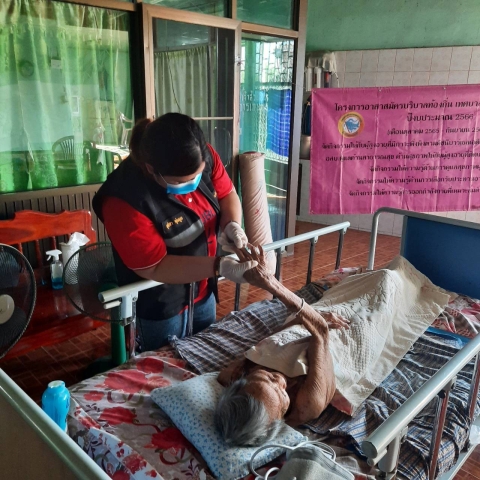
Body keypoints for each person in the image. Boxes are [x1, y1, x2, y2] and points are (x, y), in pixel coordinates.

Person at [92, 113, 257, 351]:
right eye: (181, 182)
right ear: (152, 169)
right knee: (165, 362)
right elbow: (155, 266)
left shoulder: (199, 154)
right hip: (161, 304)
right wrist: (220, 266)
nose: (192, 186)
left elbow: (227, 193)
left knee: (204, 352)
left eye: (197, 176)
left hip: (203, 291)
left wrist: (232, 224)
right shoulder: (124, 200)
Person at [214, 245, 349, 446]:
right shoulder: (307, 405)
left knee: (345, 288)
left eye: (266, 377)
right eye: (281, 394)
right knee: (385, 283)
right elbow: (321, 332)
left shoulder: (233, 374)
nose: (279, 380)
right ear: (278, 421)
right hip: (338, 332)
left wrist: (299, 320)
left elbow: (269, 343)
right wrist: (269, 282)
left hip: (310, 321)